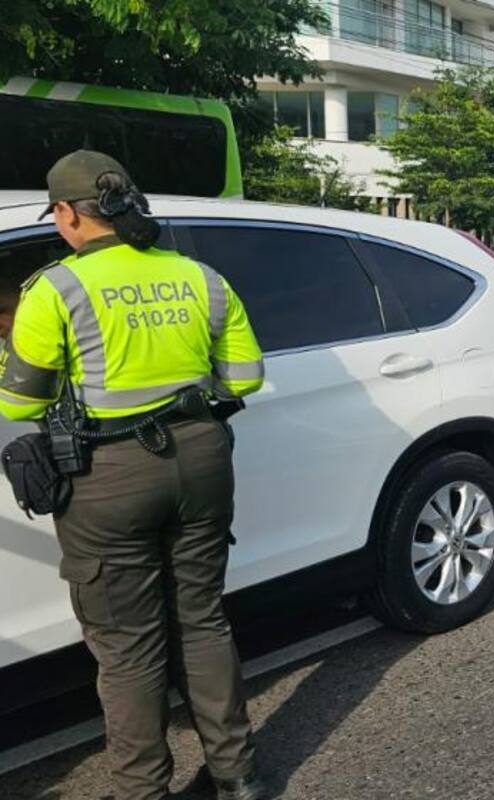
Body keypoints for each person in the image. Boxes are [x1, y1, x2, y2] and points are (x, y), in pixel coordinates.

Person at [0, 151, 267, 800]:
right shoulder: (202, 277)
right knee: (202, 619)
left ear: (66, 214)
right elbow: (245, 378)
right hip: (203, 462)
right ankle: (237, 778)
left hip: (107, 477)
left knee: (128, 647)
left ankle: (142, 790)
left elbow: (19, 403)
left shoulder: (54, 289)